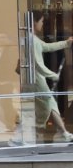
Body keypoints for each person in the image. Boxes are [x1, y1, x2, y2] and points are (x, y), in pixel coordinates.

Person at [29, 14, 73, 142]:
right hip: (37, 79)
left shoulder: (33, 40)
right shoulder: (32, 40)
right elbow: (38, 64)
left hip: (36, 78)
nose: (42, 24)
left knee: (46, 107)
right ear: (34, 22)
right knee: (49, 104)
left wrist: (66, 43)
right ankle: (62, 132)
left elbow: (47, 47)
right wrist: (53, 75)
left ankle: (58, 132)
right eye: (41, 21)